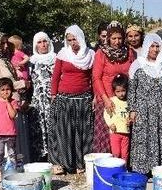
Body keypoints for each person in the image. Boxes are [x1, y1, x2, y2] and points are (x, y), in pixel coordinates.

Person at [49, 25, 95, 174]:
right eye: (69, 40)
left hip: (84, 98)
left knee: (83, 132)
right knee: (64, 131)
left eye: (75, 39)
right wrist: (54, 94)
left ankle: (81, 163)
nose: (72, 43)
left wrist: (94, 97)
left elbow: (93, 78)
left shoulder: (90, 55)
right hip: (65, 98)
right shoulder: (63, 54)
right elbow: (55, 76)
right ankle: (65, 163)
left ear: (81, 38)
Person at [0, 31, 32, 164]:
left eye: (6, 43)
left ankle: (20, 164)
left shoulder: (5, 60)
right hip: (5, 103)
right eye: (1, 43)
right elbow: (1, 83)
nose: (5, 46)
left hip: (15, 101)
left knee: (18, 137)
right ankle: (7, 169)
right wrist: (22, 83)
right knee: (8, 140)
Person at [128, 33, 162, 174]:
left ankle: (159, 170)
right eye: (152, 46)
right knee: (143, 138)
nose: (155, 49)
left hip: (161, 108)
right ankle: (142, 170)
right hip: (142, 109)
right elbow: (132, 90)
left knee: (160, 138)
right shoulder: (137, 65)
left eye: (157, 46)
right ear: (146, 47)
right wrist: (132, 109)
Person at [91, 22, 135, 154]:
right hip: (106, 100)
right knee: (106, 134)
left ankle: (122, 164)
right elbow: (96, 78)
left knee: (123, 133)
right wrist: (106, 99)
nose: (117, 41)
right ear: (108, 38)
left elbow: (132, 75)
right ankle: (106, 166)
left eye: (120, 38)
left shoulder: (129, 53)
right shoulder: (101, 53)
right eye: (114, 38)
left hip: (123, 100)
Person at [29, 31, 56, 160]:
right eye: (39, 42)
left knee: (54, 126)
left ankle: (55, 155)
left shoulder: (56, 59)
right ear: (35, 45)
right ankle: (41, 156)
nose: (43, 45)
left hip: (52, 99)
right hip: (38, 101)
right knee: (39, 127)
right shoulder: (31, 62)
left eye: (45, 41)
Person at [104, 74, 130, 160]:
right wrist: (110, 124)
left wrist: (130, 120)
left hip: (126, 132)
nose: (121, 94)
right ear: (114, 91)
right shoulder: (112, 101)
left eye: (123, 91)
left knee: (125, 153)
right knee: (116, 152)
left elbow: (131, 115)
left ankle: (124, 170)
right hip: (115, 132)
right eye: (118, 91)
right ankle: (116, 169)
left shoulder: (129, 102)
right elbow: (106, 114)